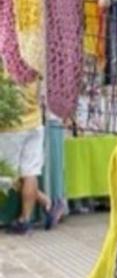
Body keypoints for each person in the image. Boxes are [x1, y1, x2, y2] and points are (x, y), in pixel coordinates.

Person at [0, 80, 65, 234]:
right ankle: (27, 218)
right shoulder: (34, 62)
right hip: (34, 123)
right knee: (30, 173)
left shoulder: (6, 63)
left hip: (11, 127)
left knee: (7, 175)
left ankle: (46, 203)